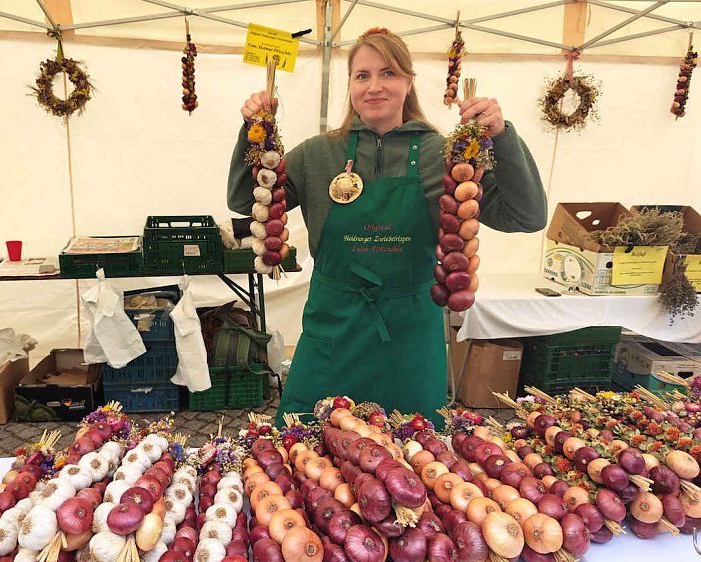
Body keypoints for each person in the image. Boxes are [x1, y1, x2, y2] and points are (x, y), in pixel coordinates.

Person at [227, 28, 546, 426]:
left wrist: (503, 137)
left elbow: (527, 216)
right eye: (362, 75)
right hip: (333, 329)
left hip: (410, 336)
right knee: (306, 453)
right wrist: (254, 134)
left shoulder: (444, 154)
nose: (375, 86)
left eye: (388, 73)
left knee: (412, 459)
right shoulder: (317, 153)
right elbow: (244, 201)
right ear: (350, 85)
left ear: (408, 82)